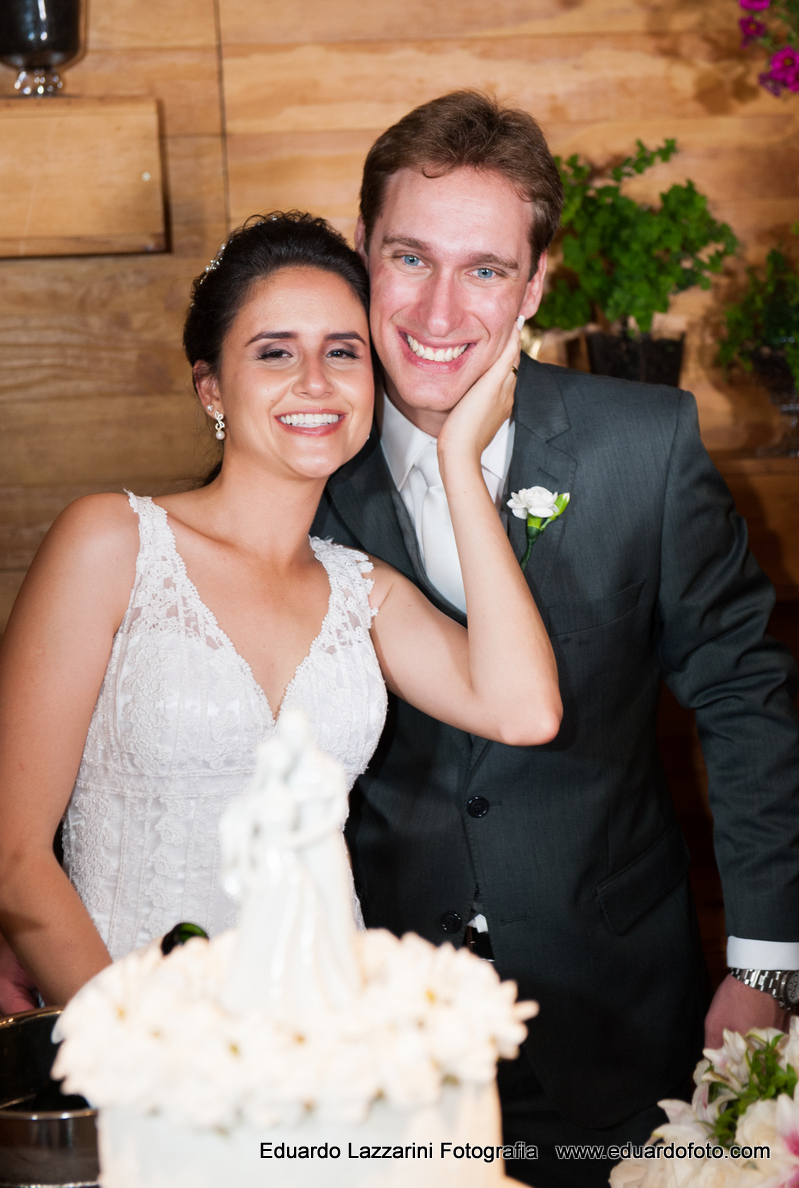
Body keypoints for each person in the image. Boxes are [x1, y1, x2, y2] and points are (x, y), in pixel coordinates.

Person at [311, 91, 799, 1188]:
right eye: (408, 258)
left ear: (536, 285)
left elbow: (743, 700)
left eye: (485, 270)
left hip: (618, 1003)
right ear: (361, 253)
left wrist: (764, 964)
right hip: (366, 1029)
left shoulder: (646, 447)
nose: (440, 310)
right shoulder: (292, 460)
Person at [0, 212, 561, 1009]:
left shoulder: (364, 591)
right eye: (275, 353)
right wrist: (137, 1058)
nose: (315, 381)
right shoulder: (112, 542)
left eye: (343, 351)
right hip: (129, 1050)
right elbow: (13, 855)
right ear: (210, 386)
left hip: (325, 1041)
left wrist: (456, 460)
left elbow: (523, 710)